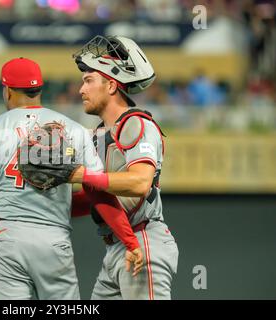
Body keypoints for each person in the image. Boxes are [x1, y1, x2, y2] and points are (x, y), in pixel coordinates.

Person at [0, 57, 142, 300]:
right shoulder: (74, 130)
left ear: (8, 91)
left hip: (6, 236)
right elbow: (98, 192)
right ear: (39, 89)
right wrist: (130, 241)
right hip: (53, 238)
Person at [69, 36, 179, 299]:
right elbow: (99, 196)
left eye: (88, 80)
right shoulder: (98, 135)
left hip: (143, 240)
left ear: (111, 85)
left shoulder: (136, 124)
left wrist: (82, 175)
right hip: (119, 246)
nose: (81, 90)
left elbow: (140, 182)